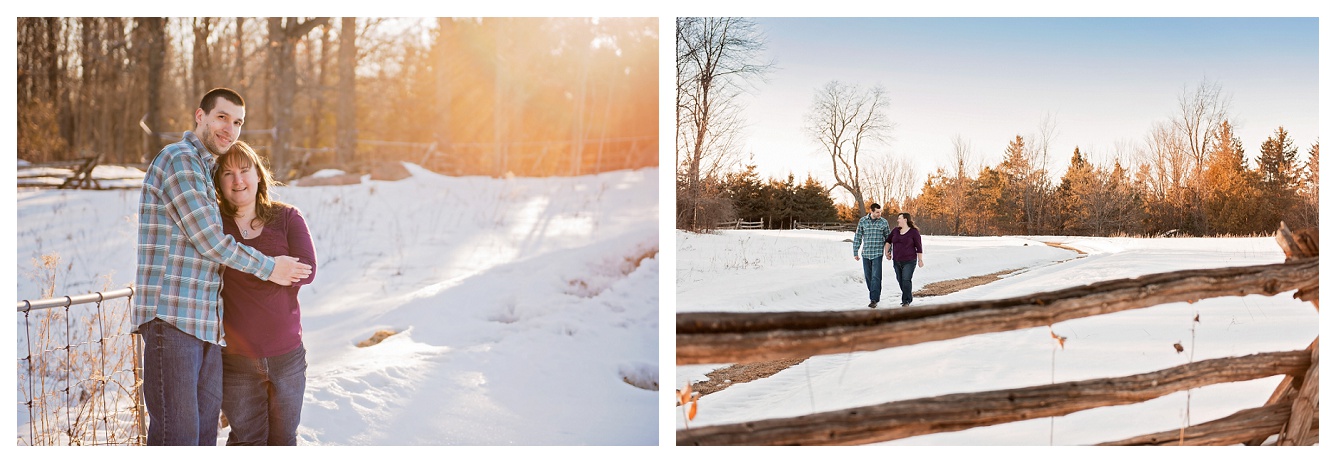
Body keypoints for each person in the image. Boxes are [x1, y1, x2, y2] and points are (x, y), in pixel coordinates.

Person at [134, 87, 312, 446]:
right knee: (178, 438)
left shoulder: (206, 170)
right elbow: (209, 240)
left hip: (205, 327)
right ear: (200, 116)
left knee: (203, 438)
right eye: (221, 117)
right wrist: (270, 268)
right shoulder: (179, 159)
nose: (229, 128)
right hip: (172, 318)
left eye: (238, 122)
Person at [214, 141, 316, 446]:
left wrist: (244, 272)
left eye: (245, 170)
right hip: (237, 360)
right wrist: (274, 269)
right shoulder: (215, 226)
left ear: (259, 174)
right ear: (218, 182)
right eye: (228, 173)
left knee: (284, 440)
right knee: (247, 441)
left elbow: (307, 270)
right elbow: (287, 271)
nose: (238, 180)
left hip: (287, 356)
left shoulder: (286, 217)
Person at [852, 203, 890, 308]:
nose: (879, 214)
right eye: (877, 212)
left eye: (880, 212)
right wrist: (855, 251)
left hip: (877, 253)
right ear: (871, 211)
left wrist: (888, 252)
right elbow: (858, 236)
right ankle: (874, 294)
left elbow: (888, 238)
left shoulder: (883, 222)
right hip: (866, 254)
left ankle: (874, 299)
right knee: (868, 277)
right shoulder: (863, 221)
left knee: (876, 277)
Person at [884, 212, 924, 307]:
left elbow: (919, 247)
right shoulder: (895, 231)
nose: (897, 220)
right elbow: (888, 241)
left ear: (905, 219)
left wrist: (920, 260)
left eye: (899, 218)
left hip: (909, 261)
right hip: (896, 260)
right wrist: (887, 253)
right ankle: (908, 296)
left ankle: (906, 301)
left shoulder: (914, 232)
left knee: (906, 279)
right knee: (900, 280)